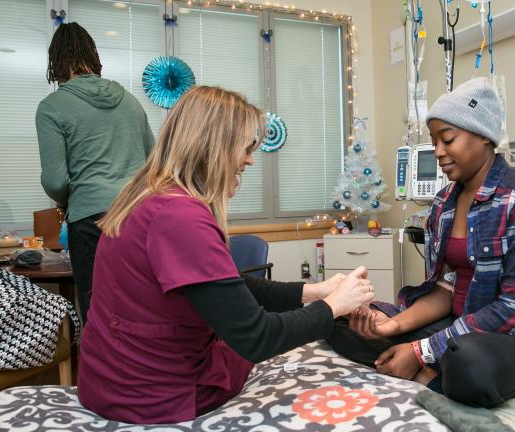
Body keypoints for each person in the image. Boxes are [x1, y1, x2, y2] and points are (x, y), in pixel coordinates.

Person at [76, 86, 375, 424]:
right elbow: (257, 338)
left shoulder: (147, 198)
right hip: (153, 394)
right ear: (213, 145)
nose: (249, 160)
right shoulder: (180, 217)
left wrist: (312, 292)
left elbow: (224, 287)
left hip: (108, 383)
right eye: (246, 149)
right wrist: (334, 306)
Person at [327, 77, 515, 408]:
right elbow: (444, 290)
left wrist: (421, 349)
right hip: (458, 327)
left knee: (470, 364)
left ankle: (427, 371)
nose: (438, 151)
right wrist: (392, 325)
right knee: (339, 320)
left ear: (484, 135)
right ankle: (427, 368)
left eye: (448, 139)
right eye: (434, 141)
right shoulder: (443, 204)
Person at [36, 22, 155, 324]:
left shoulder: (52, 107)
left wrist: (70, 199)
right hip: (139, 215)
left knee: (98, 312)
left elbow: (55, 180)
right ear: (93, 55)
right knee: (143, 304)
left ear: (56, 62)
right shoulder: (130, 102)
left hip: (91, 221)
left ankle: (103, 371)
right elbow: (155, 164)